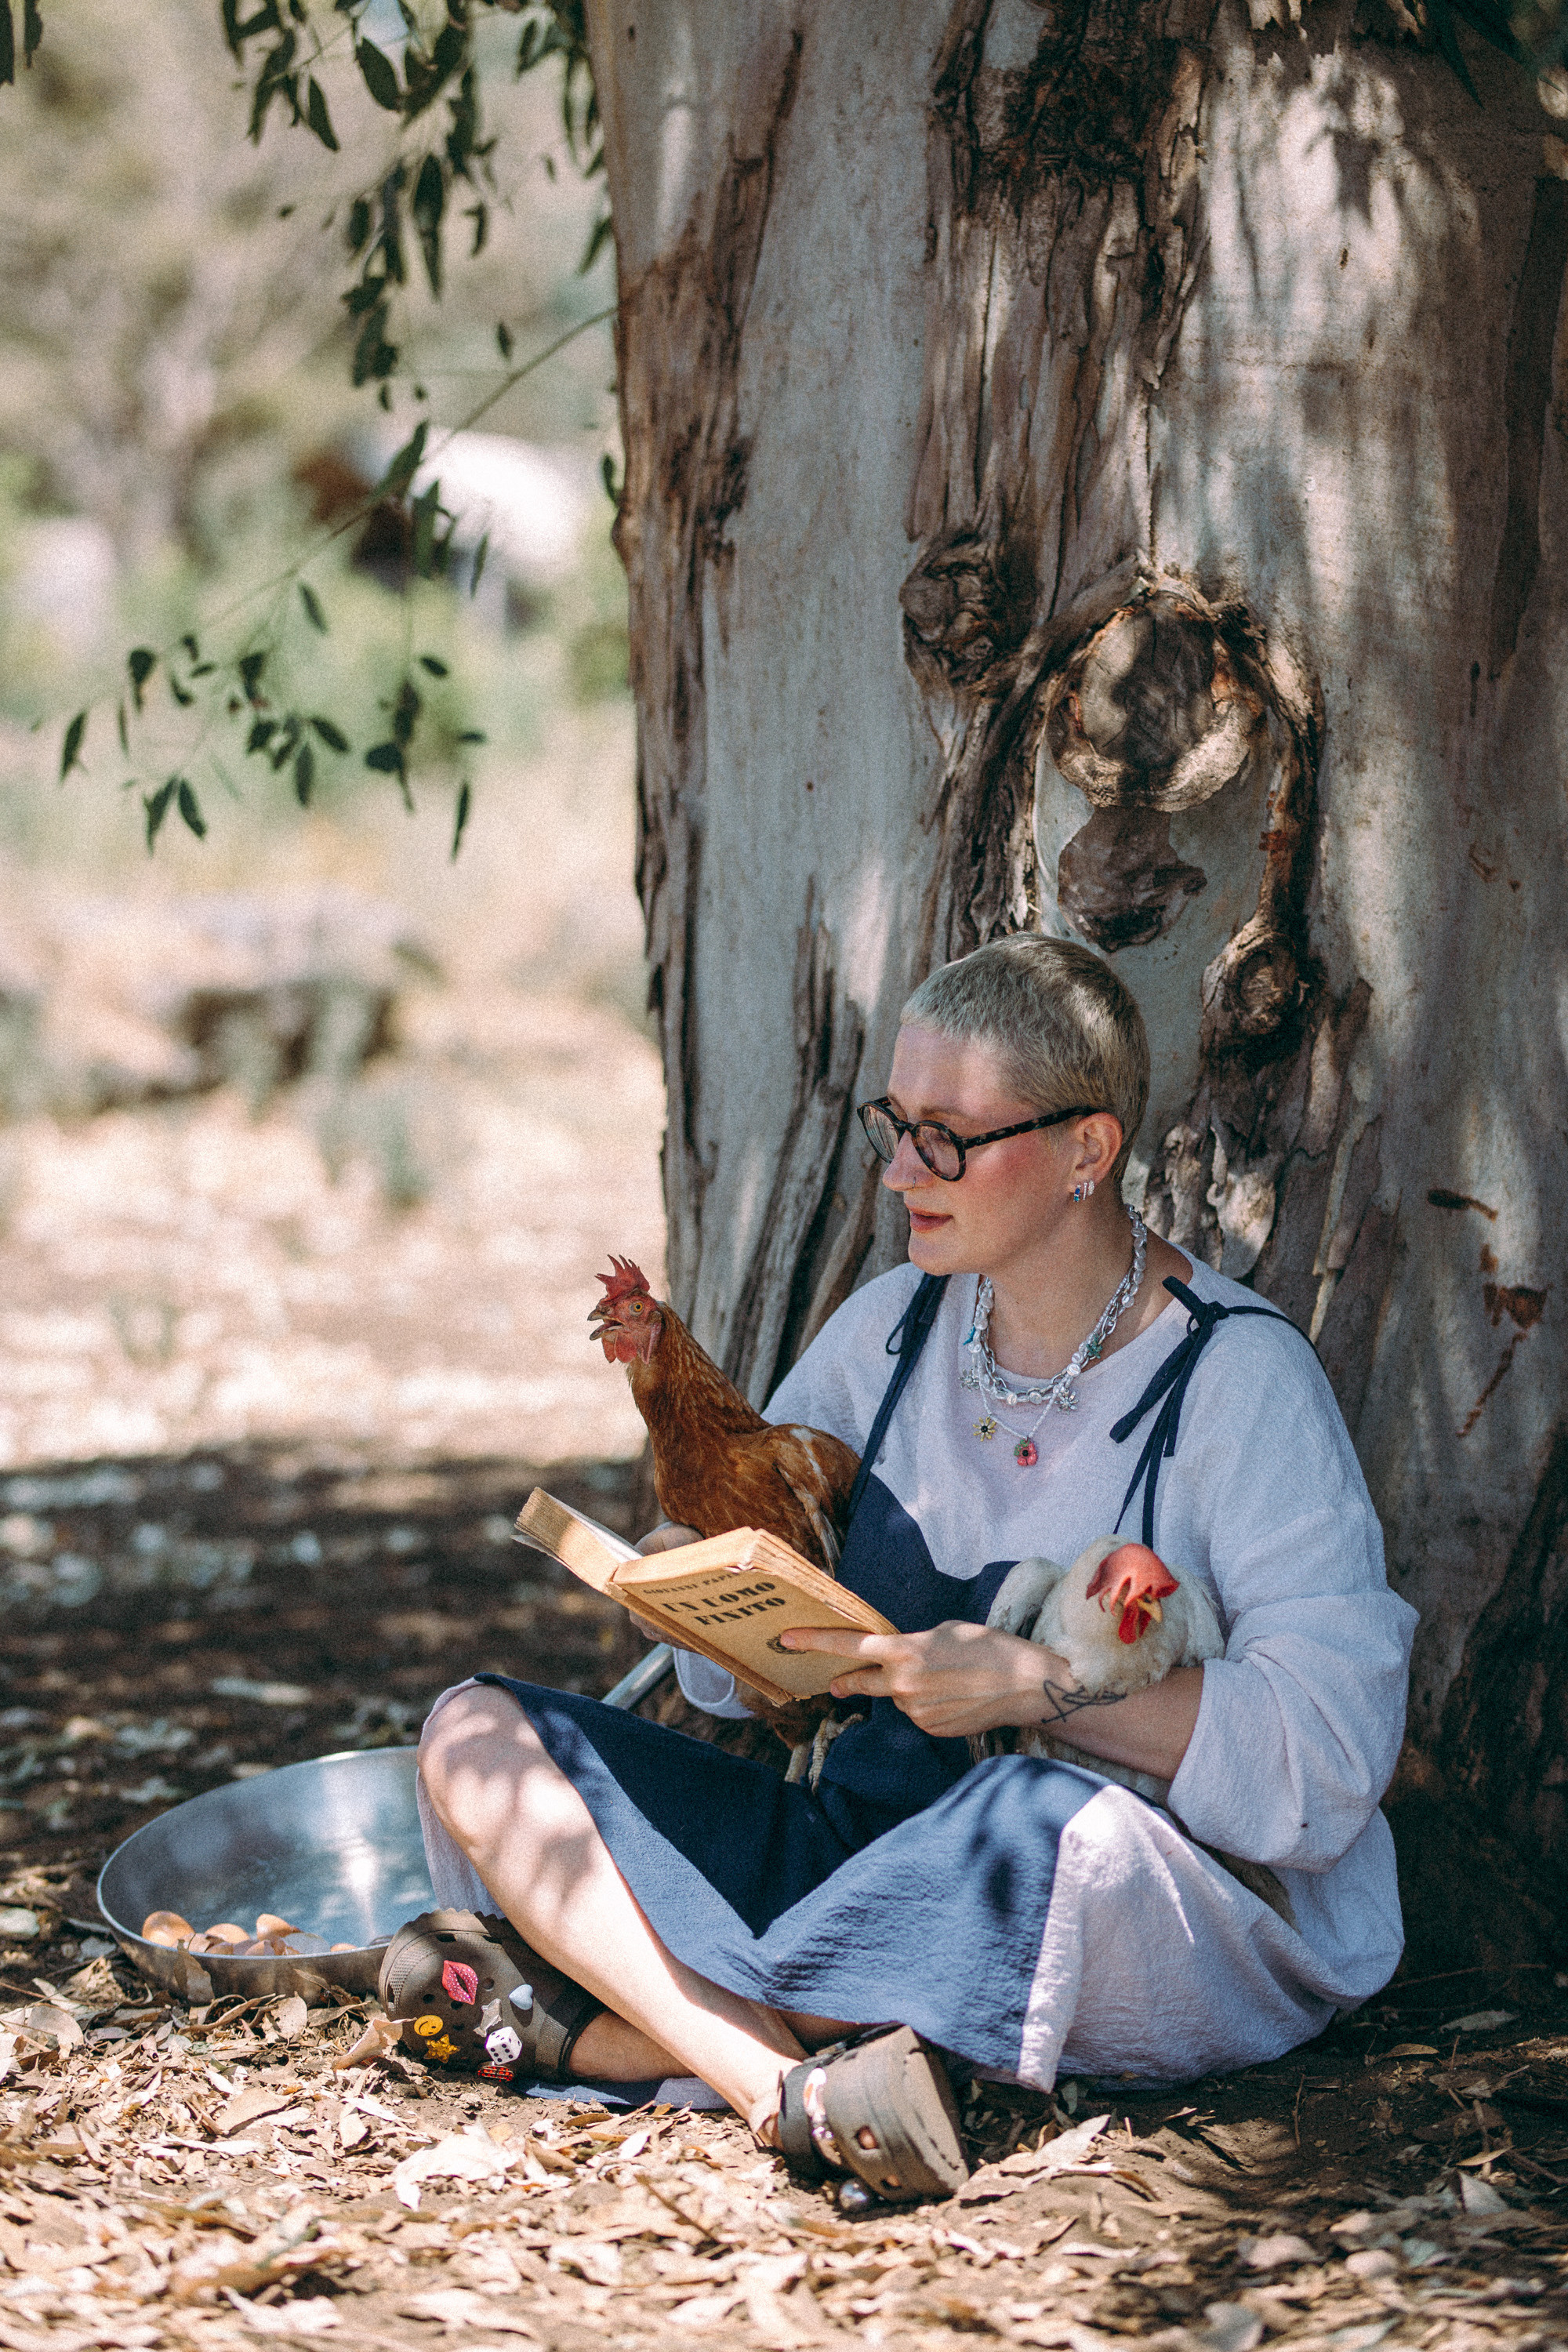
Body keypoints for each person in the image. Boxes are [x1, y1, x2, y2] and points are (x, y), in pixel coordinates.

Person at [405, 935, 1416, 2204]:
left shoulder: (1237, 1379)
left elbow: (1332, 1756)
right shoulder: (889, 1330)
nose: (898, 1172)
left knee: (1048, 1831)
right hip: (858, 1850)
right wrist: (710, 1600)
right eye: (897, 1125)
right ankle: (778, 2084)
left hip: (1100, 1890)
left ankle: (600, 2021)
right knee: (474, 1735)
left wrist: (1042, 1690)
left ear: (1087, 1152)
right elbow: (747, 1673)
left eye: (947, 1138)